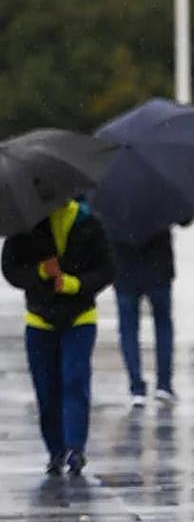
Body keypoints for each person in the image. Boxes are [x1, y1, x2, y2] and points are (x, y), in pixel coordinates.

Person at [2, 199, 114, 475]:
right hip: (39, 318)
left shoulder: (88, 222)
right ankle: (56, 451)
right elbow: (11, 270)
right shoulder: (25, 226)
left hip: (80, 317)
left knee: (74, 379)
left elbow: (106, 270)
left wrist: (75, 284)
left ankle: (76, 448)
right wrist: (41, 272)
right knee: (46, 387)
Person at [112, 228, 178, 408]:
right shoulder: (160, 208)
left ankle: (137, 388)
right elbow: (184, 219)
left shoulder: (113, 210)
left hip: (125, 267)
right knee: (163, 325)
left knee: (128, 329)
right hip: (158, 267)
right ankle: (164, 384)